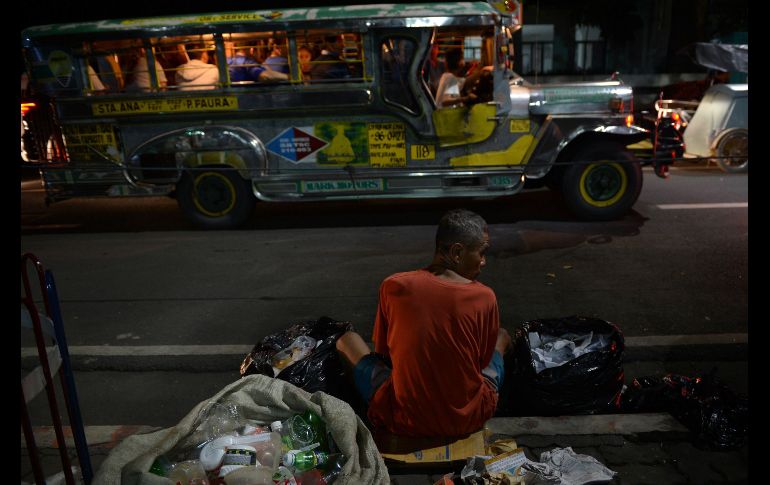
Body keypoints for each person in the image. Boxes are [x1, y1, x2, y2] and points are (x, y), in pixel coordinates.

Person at [335, 209, 512, 438]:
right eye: (481, 252)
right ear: (457, 252)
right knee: (502, 337)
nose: (483, 261)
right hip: (466, 420)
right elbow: (480, 363)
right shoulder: (484, 297)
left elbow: (384, 354)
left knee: (347, 341)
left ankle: (362, 407)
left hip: (403, 418)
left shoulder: (394, 285)